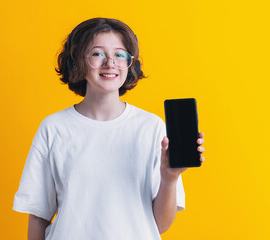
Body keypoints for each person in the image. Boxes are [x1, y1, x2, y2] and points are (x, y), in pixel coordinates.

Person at [12, 17, 205, 240]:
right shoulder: (54, 128)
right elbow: (38, 215)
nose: (110, 63)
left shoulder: (151, 128)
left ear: (130, 63)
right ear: (77, 62)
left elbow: (159, 226)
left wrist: (169, 178)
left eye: (119, 54)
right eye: (97, 53)